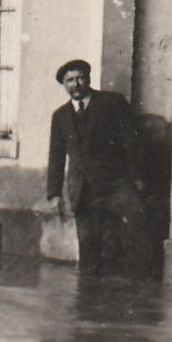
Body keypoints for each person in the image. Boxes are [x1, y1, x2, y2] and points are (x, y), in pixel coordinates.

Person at [46, 58, 148, 277]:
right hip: (83, 190)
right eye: (70, 80)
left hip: (117, 184)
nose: (76, 84)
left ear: (89, 79)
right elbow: (56, 156)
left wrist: (137, 177)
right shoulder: (60, 117)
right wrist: (54, 194)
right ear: (64, 85)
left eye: (80, 78)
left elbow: (133, 141)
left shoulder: (112, 103)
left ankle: (135, 289)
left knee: (136, 227)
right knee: (88, 246)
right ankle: (88, 297)